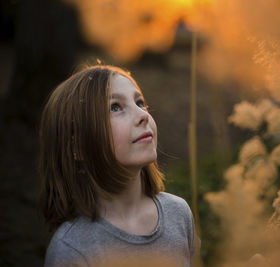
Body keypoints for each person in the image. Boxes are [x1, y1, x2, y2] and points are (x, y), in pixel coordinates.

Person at [39, 65, 199, 267]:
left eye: (140, 103)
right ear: (77, 146)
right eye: (115, 107)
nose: (143, 115)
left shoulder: (179, 214)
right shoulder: (71, 249)